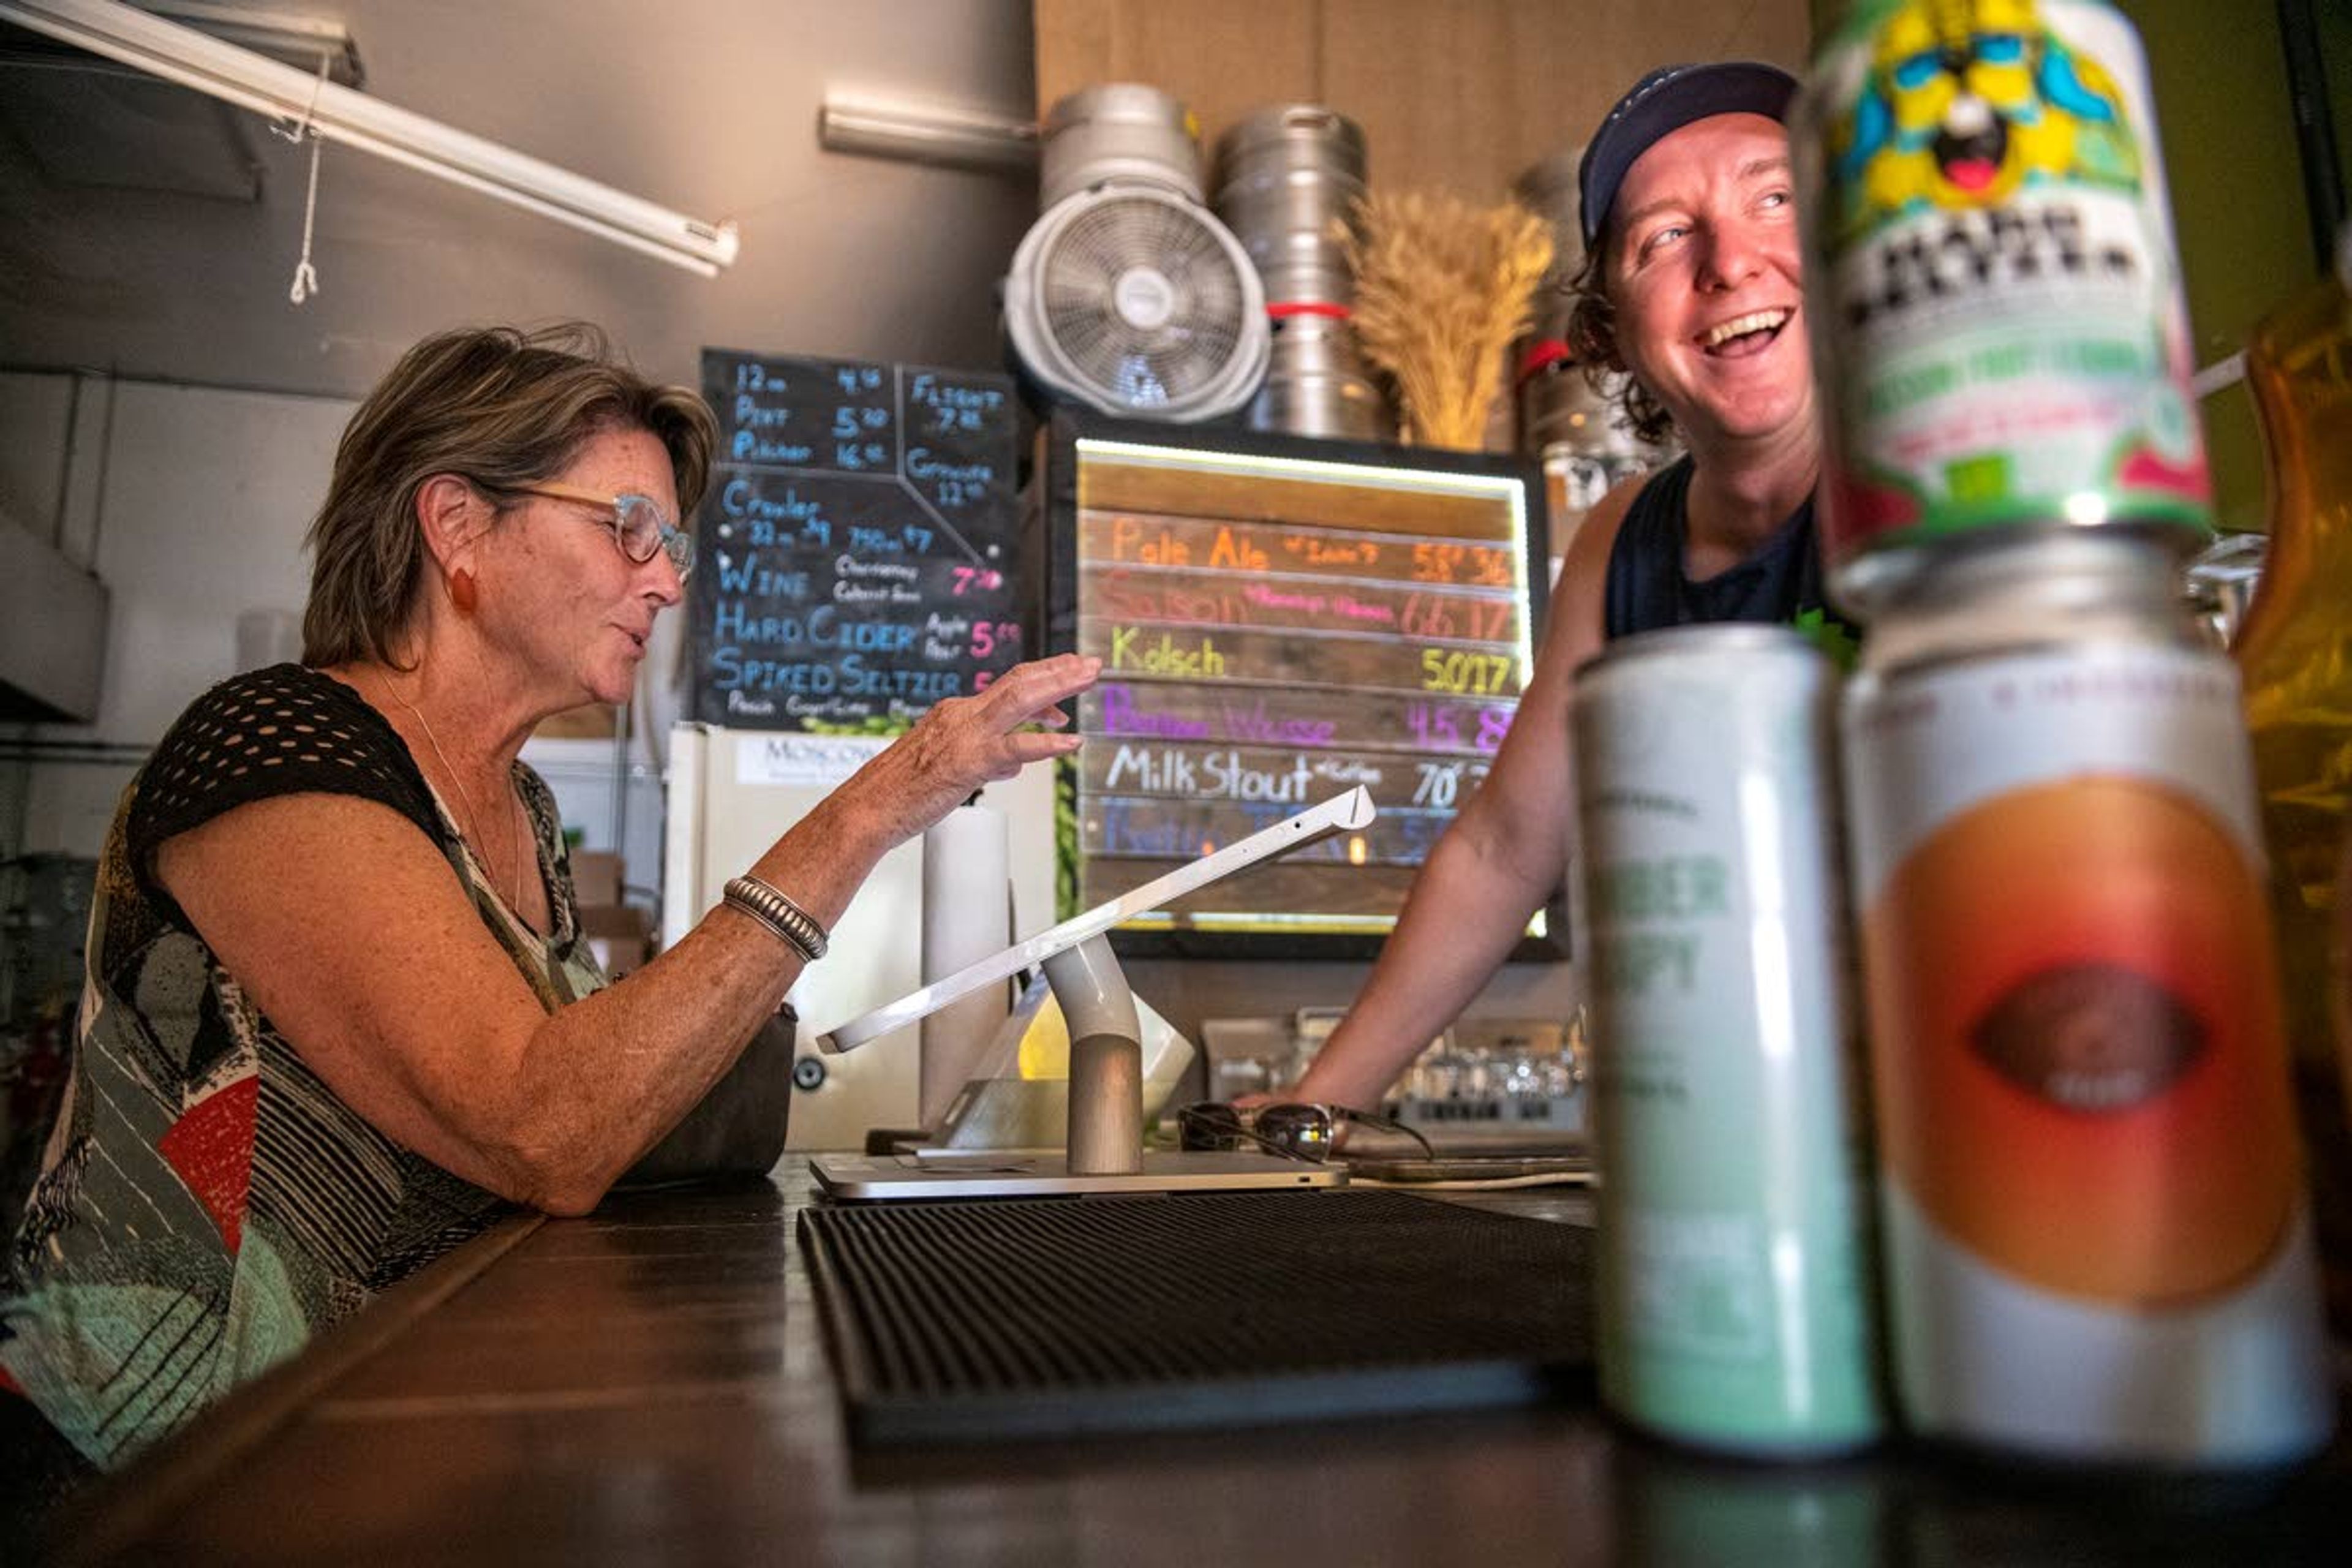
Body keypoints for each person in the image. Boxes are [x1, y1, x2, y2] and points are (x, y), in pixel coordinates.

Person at [0, 324, 1099, 1491]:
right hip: (149, 1476)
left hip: (367, 1444)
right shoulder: (276, 745)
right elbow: (539, 1129)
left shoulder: (519, 806)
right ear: (457, 522)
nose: (668, 580)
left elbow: (584, 1095)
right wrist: (876, 803)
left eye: (672, 545)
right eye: (630, 529)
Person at [1280, 62, 1845, 1111]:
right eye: (1666, 237)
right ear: (1611, 334)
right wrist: (1323, 1103)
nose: (1731, 262)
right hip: (1738, 1115)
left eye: (1776, 199)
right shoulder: (1622, 542)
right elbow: (1503, 850)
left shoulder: (1931, 481)